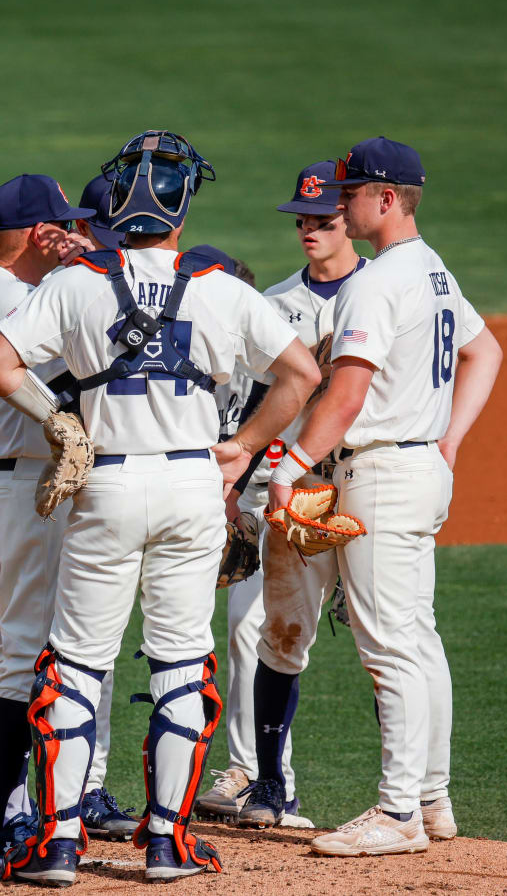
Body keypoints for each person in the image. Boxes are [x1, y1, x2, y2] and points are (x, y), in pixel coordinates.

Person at [0, 130, 320, 885]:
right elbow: (302, 373)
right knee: (181, 659)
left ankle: (57, 846)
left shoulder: (75, 282)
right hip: (195, 485)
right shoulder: (224, 287)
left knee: (74, 666)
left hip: (107, 482)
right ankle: (167, 842)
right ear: (182, 213)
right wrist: (245, 447)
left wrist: (57, 418)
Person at [263, 137, 502, 856]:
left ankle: (397, 811)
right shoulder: (432, 271)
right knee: (418, 639)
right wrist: (449, 439)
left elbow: (348, 392)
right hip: (420, 469)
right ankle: (431, 798)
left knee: (389, 646)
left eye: (351, 193)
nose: (338, 205)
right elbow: (486, 352)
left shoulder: (376, 282)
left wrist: (291, 464)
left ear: (386, 198)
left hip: (381, 474)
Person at [0, 174, 141, 867]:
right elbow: (96, 360)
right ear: (34, 234)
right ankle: (2, 817)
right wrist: (94, 257)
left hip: (19, 481)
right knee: (29, 648)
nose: (68, 233)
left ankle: (12, 805)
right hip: (30, 487)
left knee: (19, 643)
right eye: (59, 225)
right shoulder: (14, 297)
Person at [197, 161, 367, 830]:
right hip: (282, 493)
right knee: (251, 629)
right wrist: (238, 488)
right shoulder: (271, 305)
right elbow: (251, 404)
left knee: (383, 640)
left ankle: (417, 793)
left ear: (350, 220)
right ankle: (259, 780)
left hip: (361, 485)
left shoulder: (383, 292)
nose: (309, 229)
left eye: (322, 218)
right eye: (301, 218)